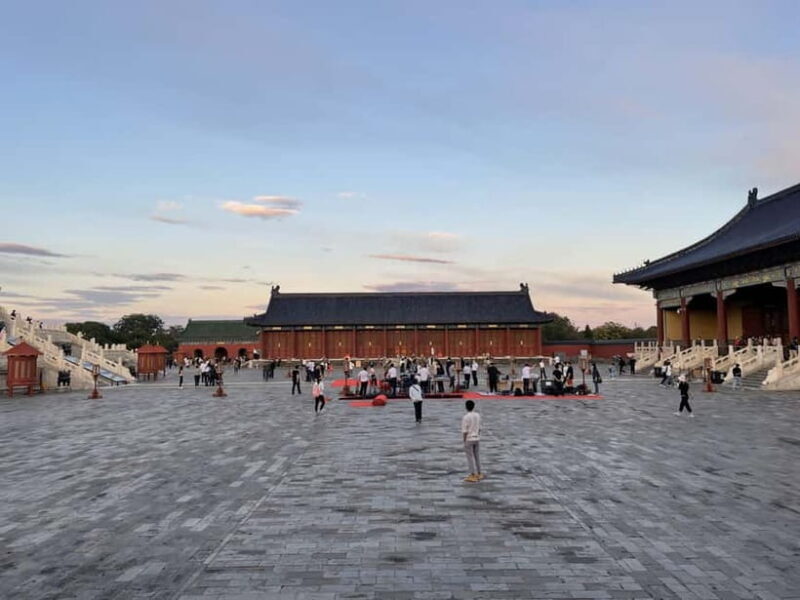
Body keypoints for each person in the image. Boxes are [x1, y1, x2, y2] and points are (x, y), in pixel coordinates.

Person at [462, 400, 483, 482]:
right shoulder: (478, 415)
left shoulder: (466, 417)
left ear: (466, 407)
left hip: (469, 438)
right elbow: (480, 428)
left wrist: (464, 441)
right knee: (477, 456)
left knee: (470, 457)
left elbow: (464, 431)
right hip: (477, 438)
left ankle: (472, 474)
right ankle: (479, 473)